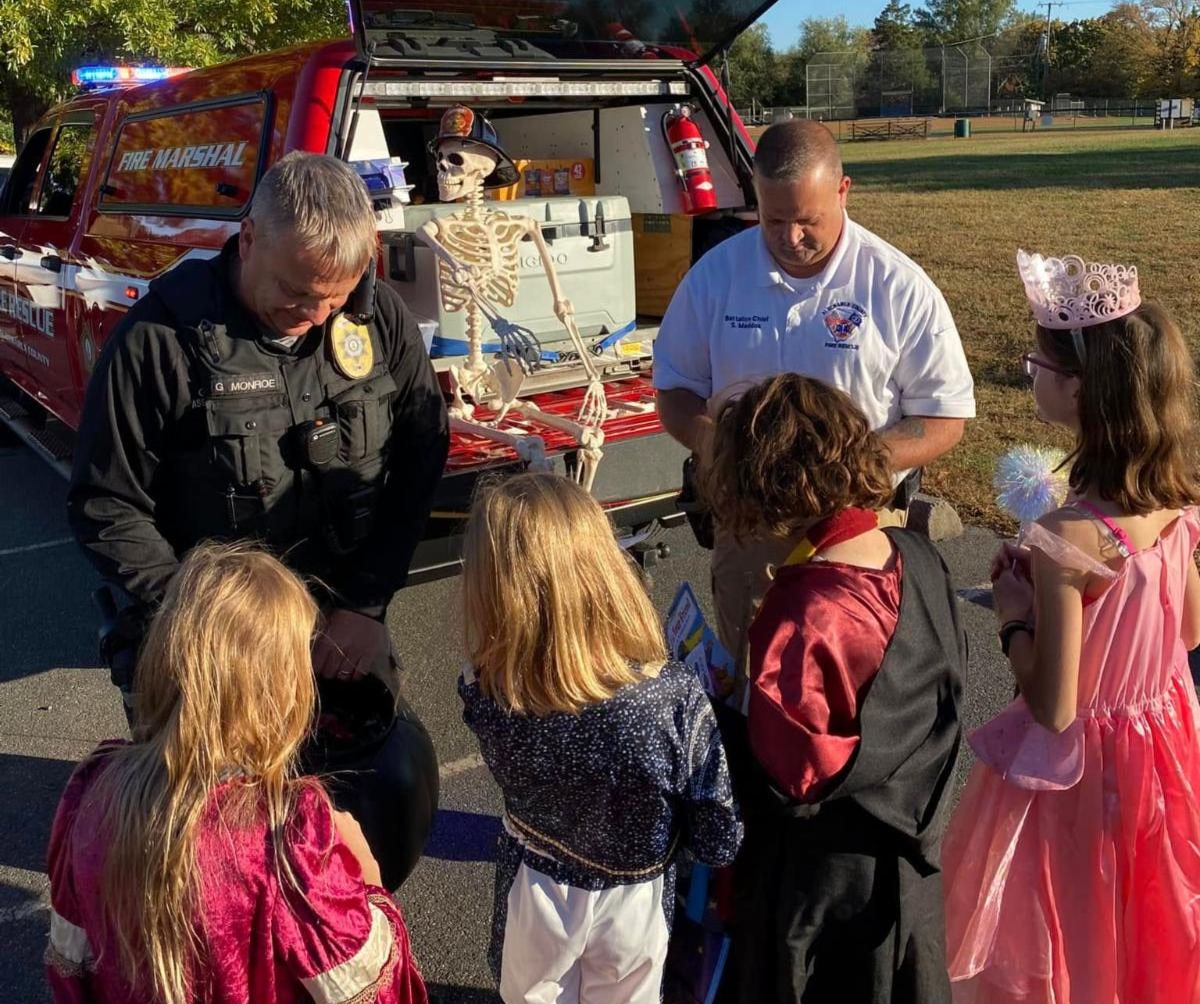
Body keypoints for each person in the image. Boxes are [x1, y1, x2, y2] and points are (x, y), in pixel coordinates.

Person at [68, 150, 449, 698]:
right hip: (219, 647)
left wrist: (367, 603)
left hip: (347, 628)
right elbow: (107, 504)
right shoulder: (160, 341)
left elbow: (422, 454)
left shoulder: (379, 315)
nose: (314, 316)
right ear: (247, 239)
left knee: (386, 754)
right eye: (295, 291)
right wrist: (198, 615)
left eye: (335, 296)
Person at [942, 251, 1200, 1002]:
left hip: (1087, 773)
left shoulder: (1066, 536)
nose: (1032, 375)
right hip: (1163, 753)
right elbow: (1187, 634)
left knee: (1080, 919)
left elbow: (1055, 707)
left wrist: (1014, 617)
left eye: (1038, 364)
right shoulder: (1177, 504)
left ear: (1080, 388)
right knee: (1149, 909)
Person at [44, 541, 428, 1004]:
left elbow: (71, 964)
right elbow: (371, 989)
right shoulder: (286, 835)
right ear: (280, 688)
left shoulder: (92, 791)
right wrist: (371, 885)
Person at [653, 119, 975, 667]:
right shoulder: (715, 277)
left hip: (859, 526)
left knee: (862, 680)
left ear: (843, 190)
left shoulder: (897, 285)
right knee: (753, 676)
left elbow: (944, 416)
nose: (790, 237)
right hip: (750, 525)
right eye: (774, 220)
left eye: (808, 221)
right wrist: (718, 446)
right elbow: (675, 388)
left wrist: (850, 467)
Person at [702, 373, 966, 1003]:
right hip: (909, 853)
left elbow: (792, 775)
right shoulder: (916, 556)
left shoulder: (804, 612)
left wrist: (717, 719)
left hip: (820, 886)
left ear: (759, 486)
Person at [457, 473, 743, 1004]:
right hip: (635, 897)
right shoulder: (672, 695)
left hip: (537, 883)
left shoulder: (486, 691)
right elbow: (718, 829)